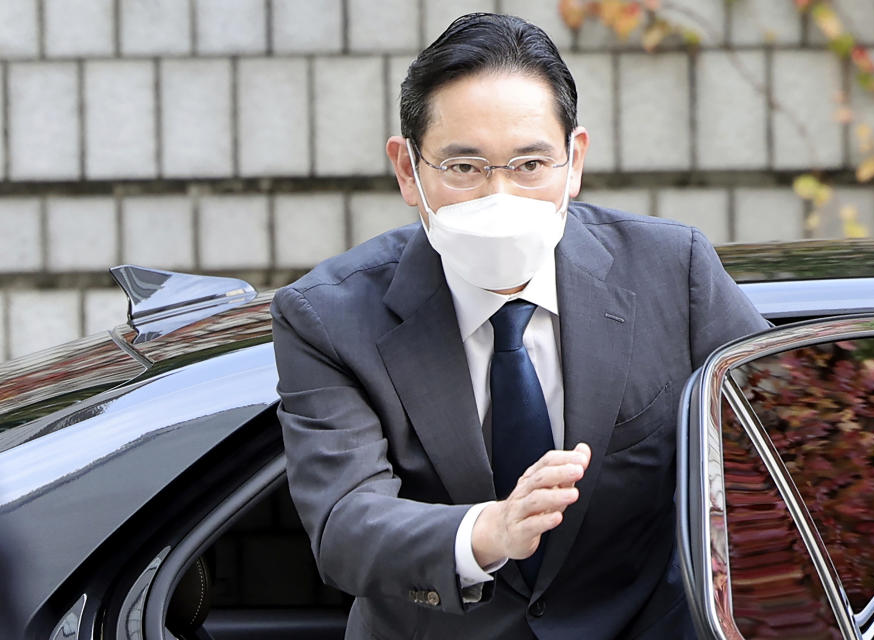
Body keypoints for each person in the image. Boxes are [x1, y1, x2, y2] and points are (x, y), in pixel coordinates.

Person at [271, 12, 767, 639]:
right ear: (407, 171)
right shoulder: (328, 317)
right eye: (465, 168)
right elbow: (344, 524)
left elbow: (781, 448)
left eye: (530, 165)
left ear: (574, 160)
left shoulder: (674, 274)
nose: (499, 196)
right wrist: (488, 531)